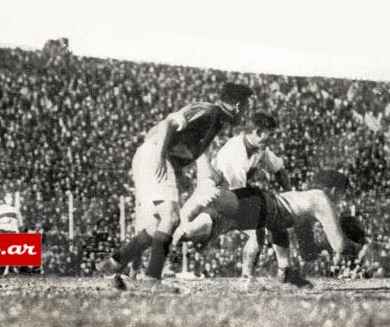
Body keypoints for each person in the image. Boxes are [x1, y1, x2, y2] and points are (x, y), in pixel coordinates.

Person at [97, 82, 253, 293]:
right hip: (154, 154)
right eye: (246, 106)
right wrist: (161, 157)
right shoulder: (208, 111)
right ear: (237, 105)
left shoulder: (217, 120)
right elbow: (166, 125)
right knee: (171, 218)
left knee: (158, 225)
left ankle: (113, 264)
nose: (246, 113)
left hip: (153, 157)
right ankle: (152, 279)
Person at [171, 170, 366, 288]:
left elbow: (304, 250)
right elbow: (340, 245)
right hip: (261, 204)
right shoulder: (322, 200)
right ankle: (206, 191)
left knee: (197, 231)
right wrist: (361, 247)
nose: (341, 200)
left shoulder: (304, 202)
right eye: (342, 194)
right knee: (246, 225)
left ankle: (169, 230)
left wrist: (320, 251)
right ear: (333, 190)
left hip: (261, 206)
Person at [177, 112, 287, 283]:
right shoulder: (234, 153)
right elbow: (237, 194)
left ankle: (247, 276)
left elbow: (278, 168)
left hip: (232, 198)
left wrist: (288, 192)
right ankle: (164, 247)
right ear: (257, 132)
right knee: (196, 231)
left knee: (258, 231)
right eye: (268, 135)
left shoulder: (259, 148)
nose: (269, 140)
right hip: (217, 198)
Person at [0, 193, 22, 278]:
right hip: (1, 231)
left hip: (11, 232)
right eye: (8, 197)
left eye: (11, 198)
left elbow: (18, 224)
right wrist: (2, 221)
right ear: (5, 199)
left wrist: (17, 232)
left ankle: (6, 272)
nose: (10, 199)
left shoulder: (15, 210)